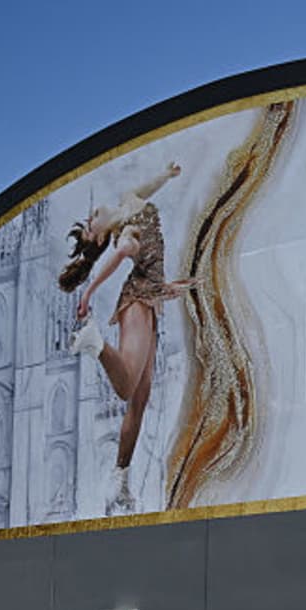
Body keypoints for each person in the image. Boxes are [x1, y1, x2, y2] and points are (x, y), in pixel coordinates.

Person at [59, 160, 196, 514]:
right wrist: (89, 293)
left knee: (139, 399)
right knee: (126, 386)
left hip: (149, 302)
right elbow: (121, 254)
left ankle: (119, 481)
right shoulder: (125, 233)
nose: (91, 216)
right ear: (100, 237)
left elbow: (146, 189)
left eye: (89, 218)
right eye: (90, 225)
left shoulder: (128, 200)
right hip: (135, 303)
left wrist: (166, 175)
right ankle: (95, 342)